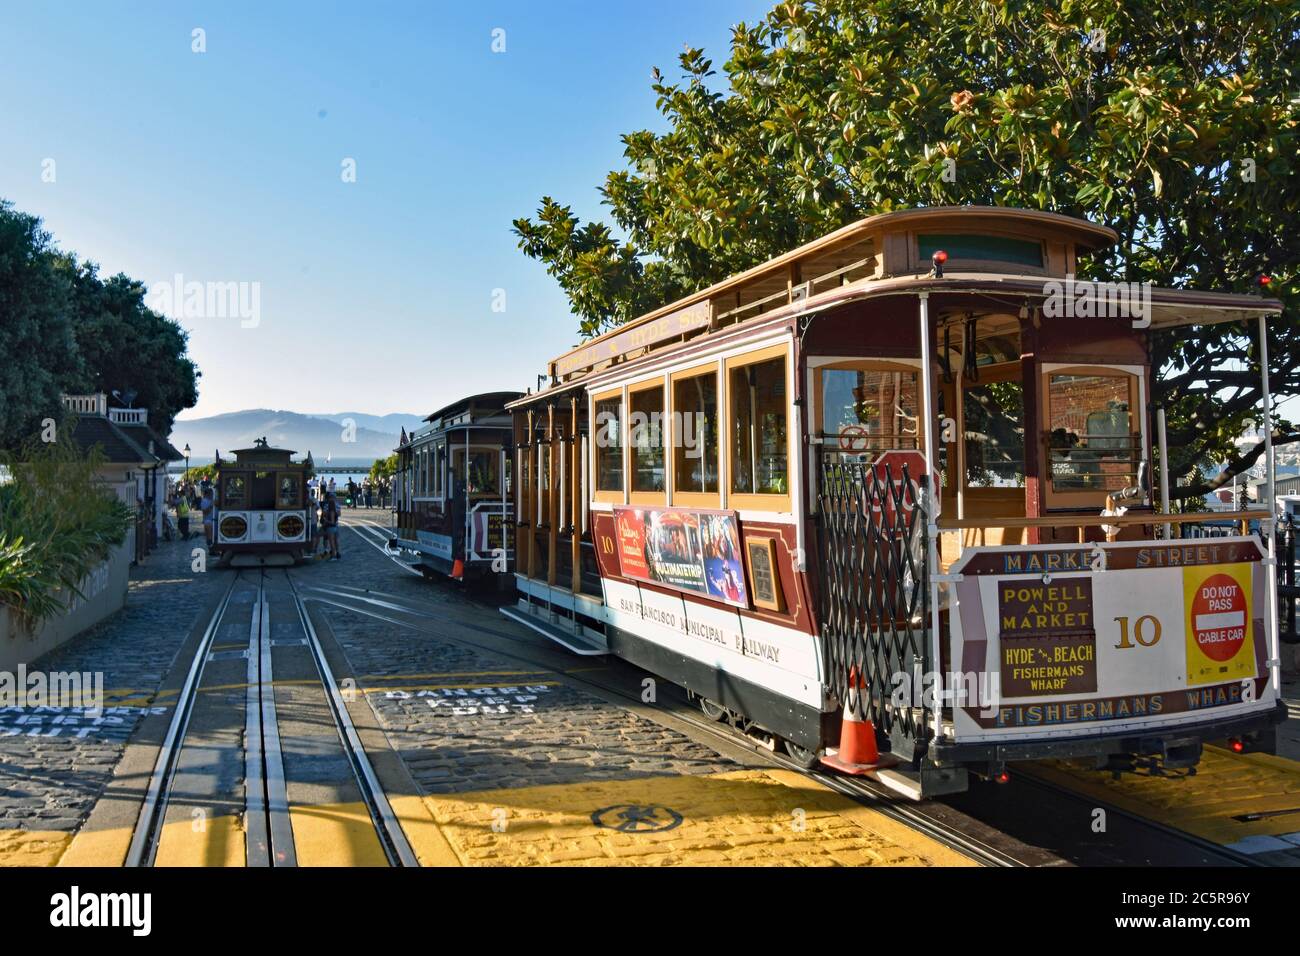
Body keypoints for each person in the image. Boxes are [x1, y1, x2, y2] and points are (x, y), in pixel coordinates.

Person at [320, 491, 341, 559]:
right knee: (336, 539)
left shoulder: (327, 505)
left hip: (329, 525)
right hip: (336, 524)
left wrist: (326, 520)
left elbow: (324, 514)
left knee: (328, 539)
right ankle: (337, 552)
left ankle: (329, 552)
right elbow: (339, 514)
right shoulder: (337, 505)